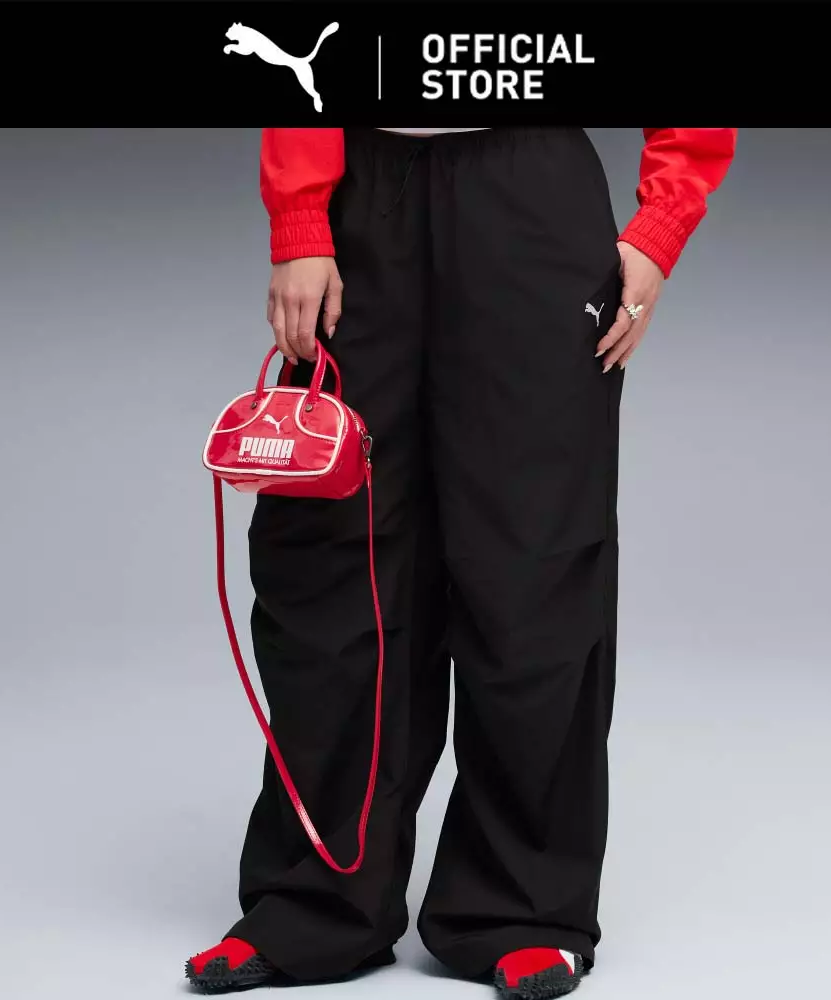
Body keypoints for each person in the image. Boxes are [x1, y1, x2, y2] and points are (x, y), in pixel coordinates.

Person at [185, 126, 737, 999]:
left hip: (532, 191)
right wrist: (299, 221)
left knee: (534, 558)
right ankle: (317, 897)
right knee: (331, 554)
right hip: (363, 194)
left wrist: (661, 224)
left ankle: (522, 907)